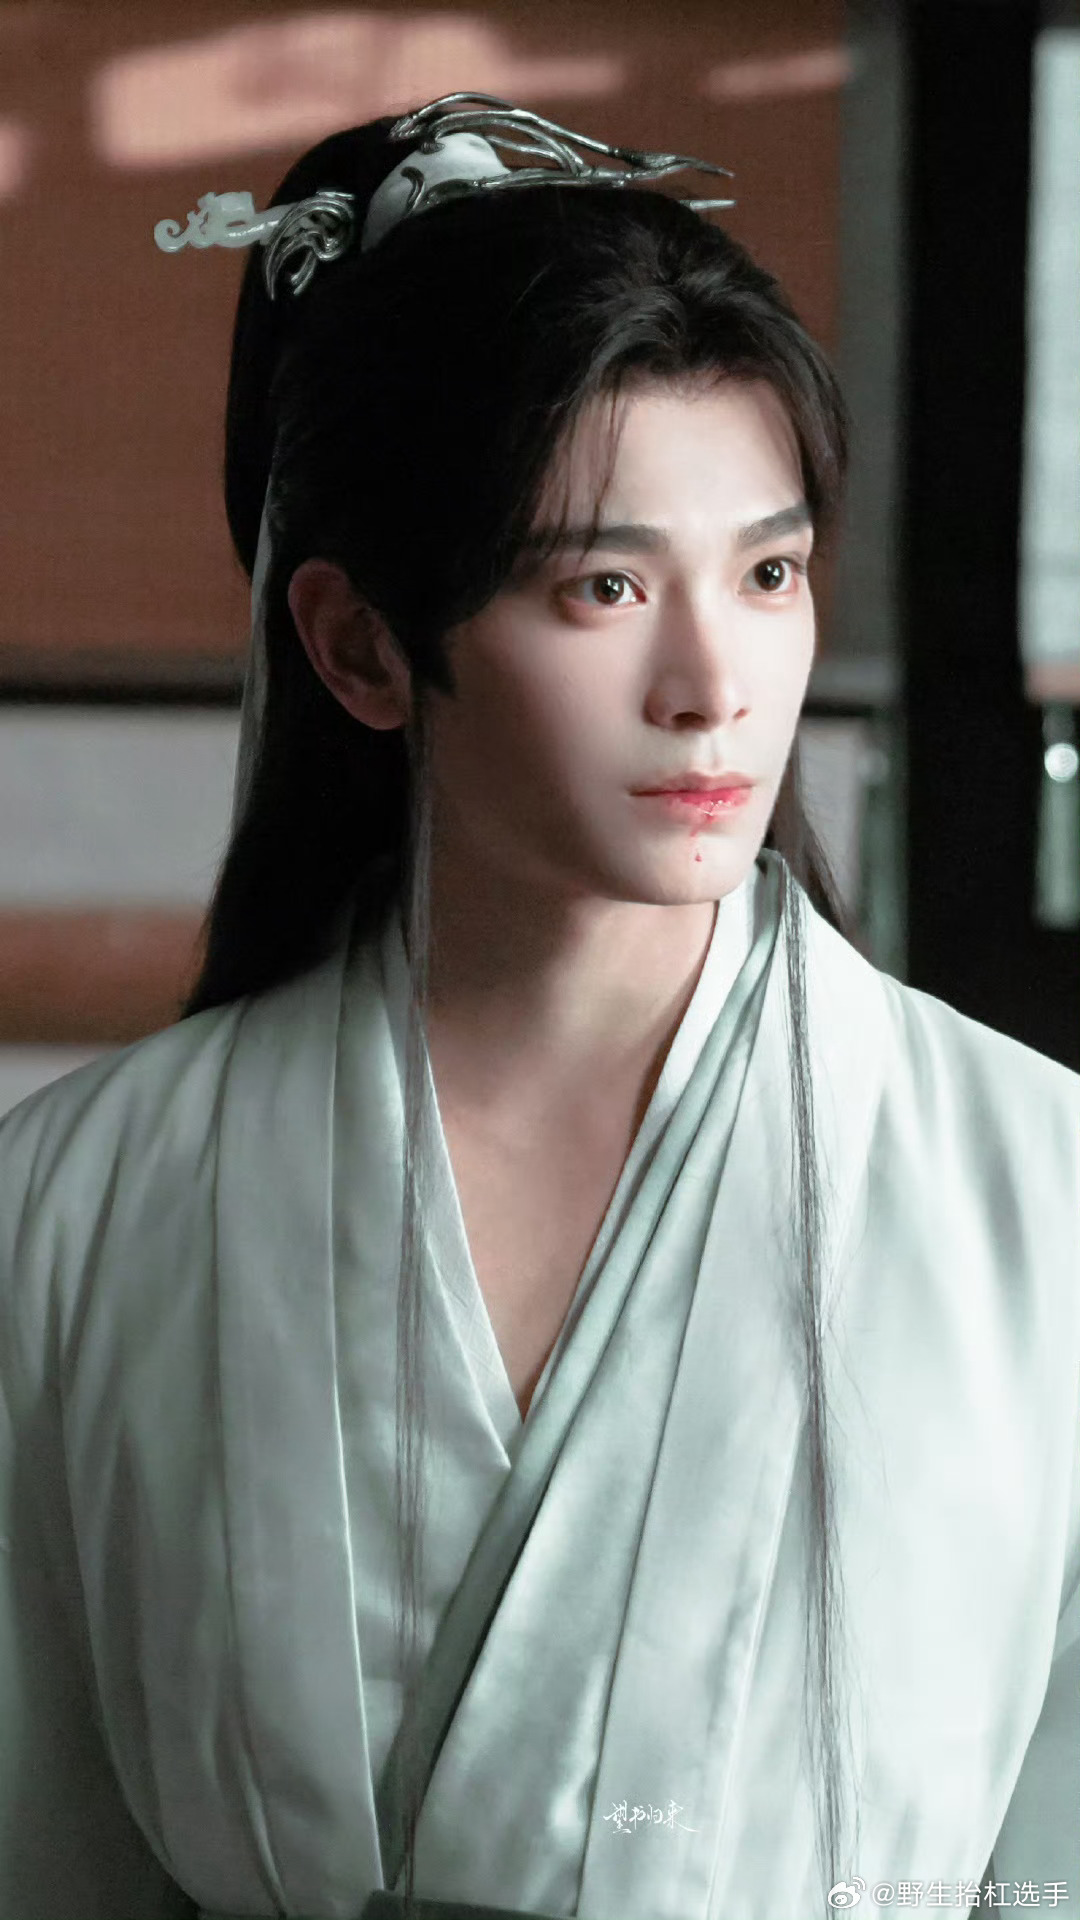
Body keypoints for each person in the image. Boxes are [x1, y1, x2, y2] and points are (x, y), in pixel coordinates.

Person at [0, 93, 1076, 1920]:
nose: (712, 682)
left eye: (769, 573)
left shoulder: (1038, 1189)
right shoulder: (76, 1213)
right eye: (603, 584)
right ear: (361, 646)